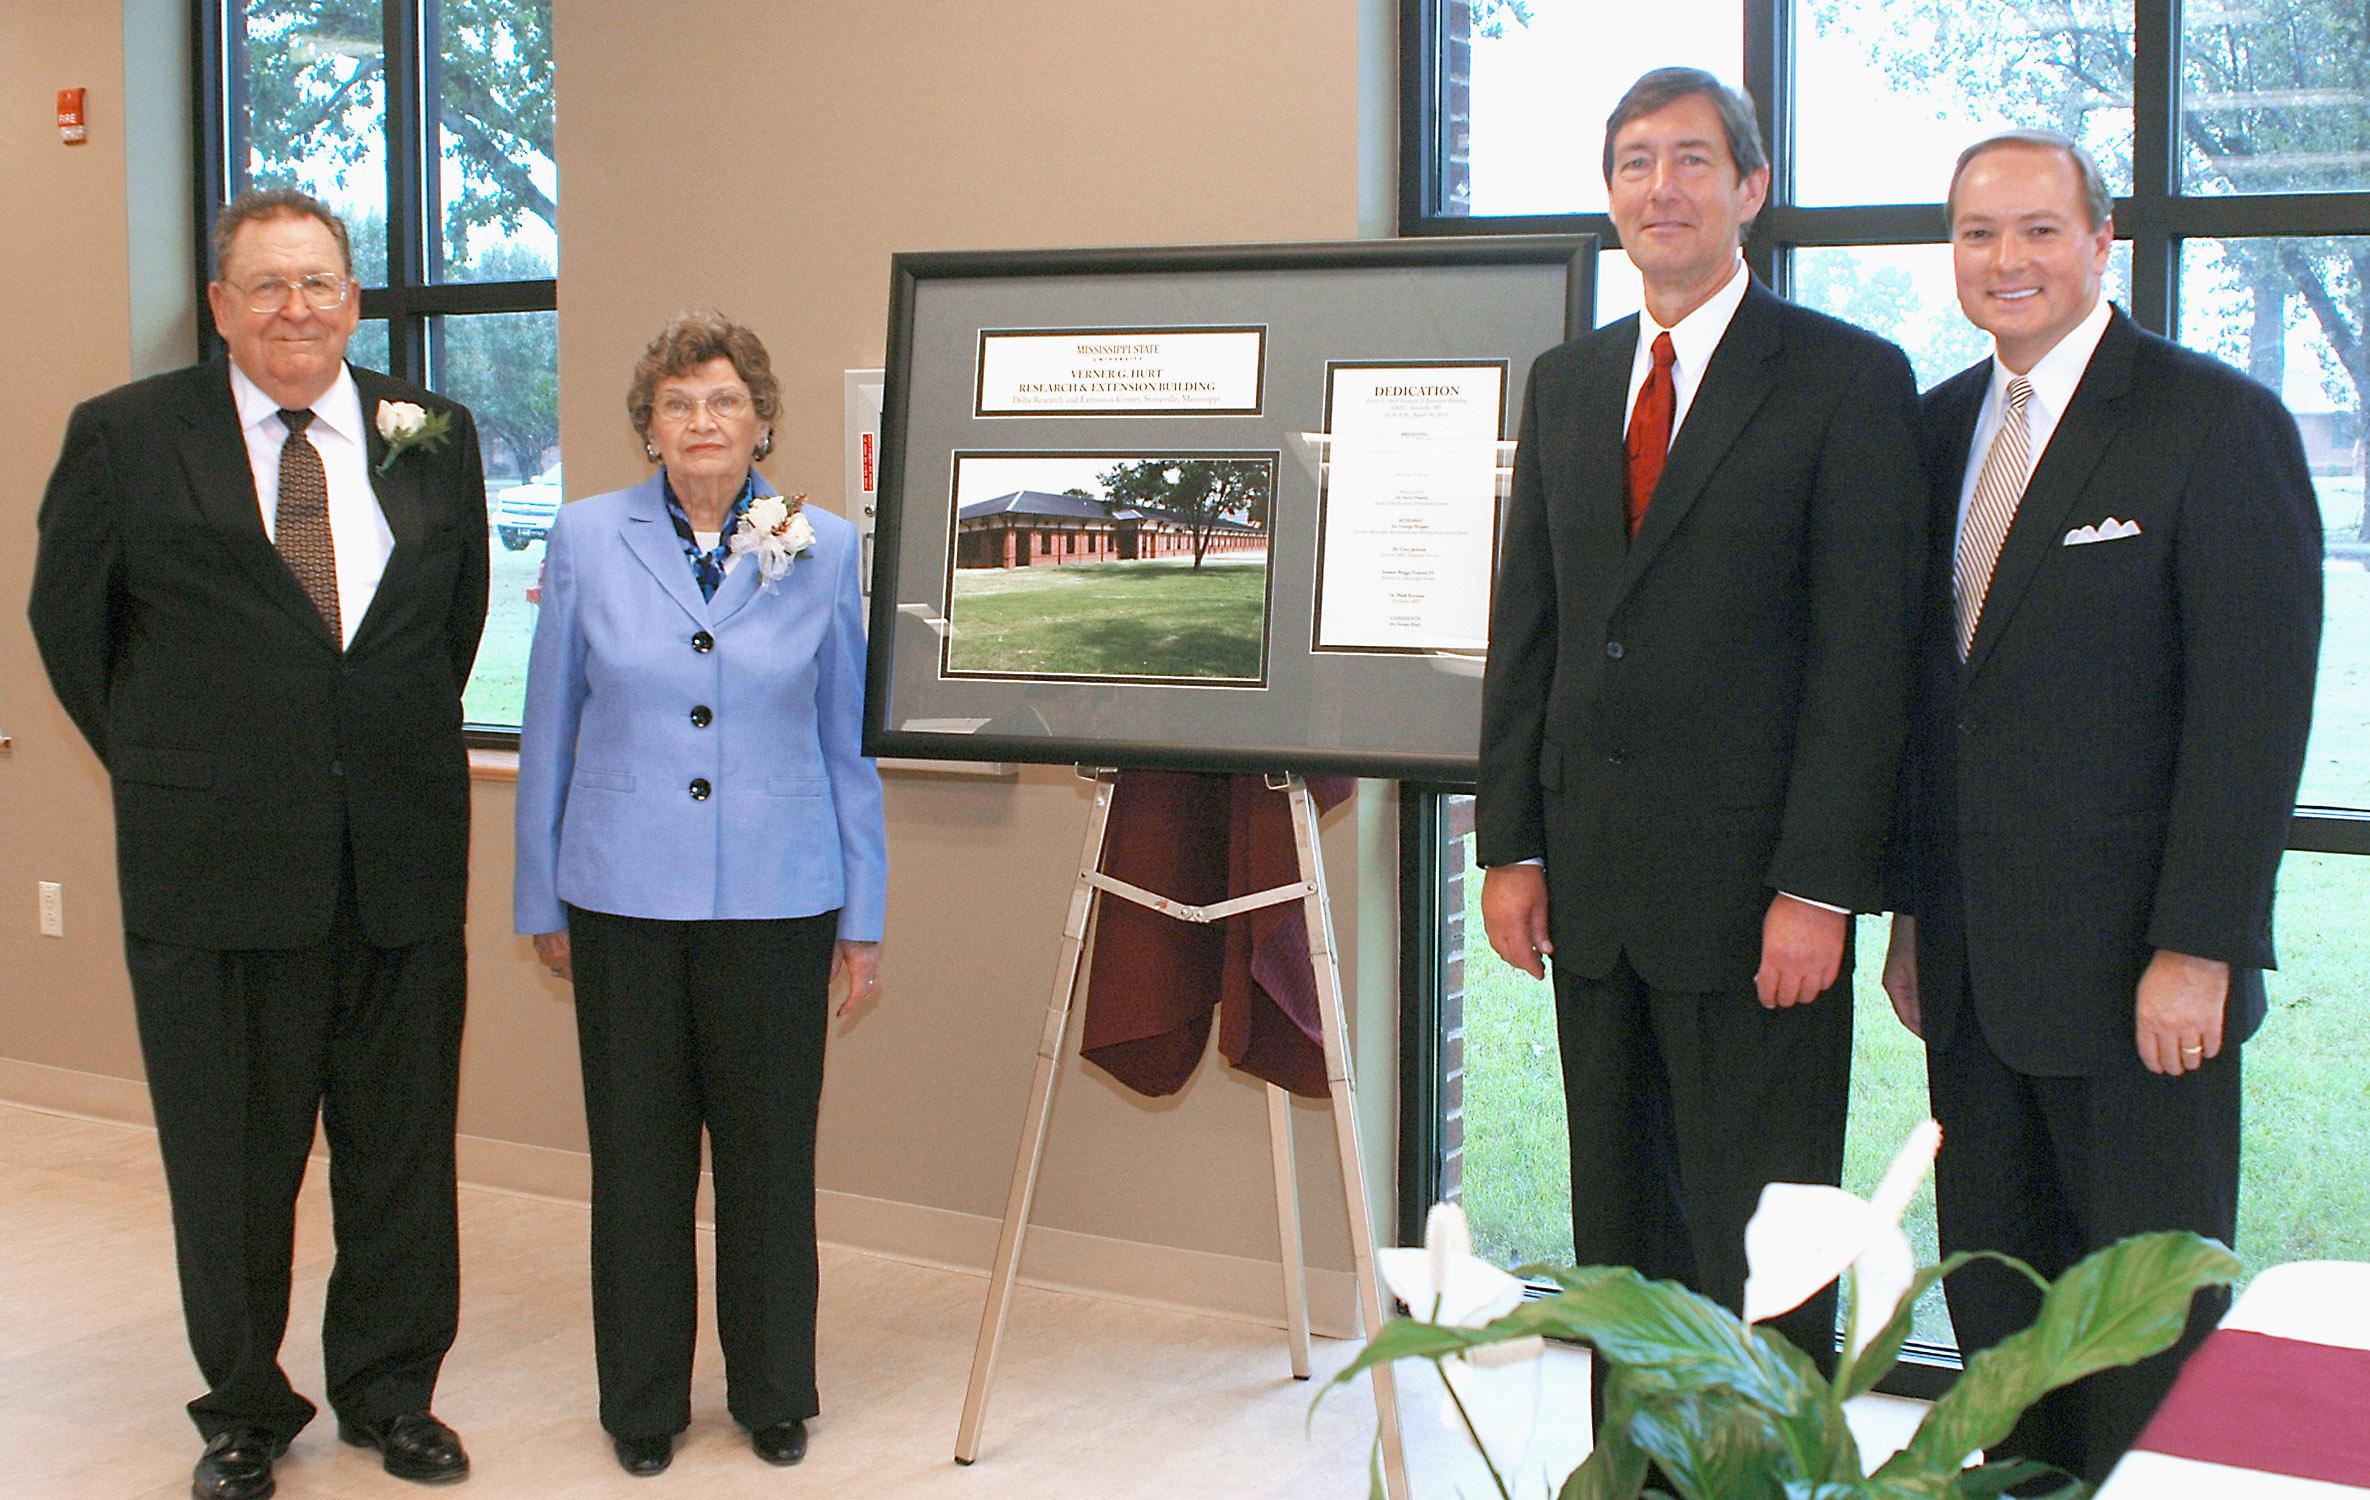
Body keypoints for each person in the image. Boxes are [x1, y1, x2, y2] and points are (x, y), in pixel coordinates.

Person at [28, 189, 486, 1500]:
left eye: (322, 283)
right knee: (229, 1161)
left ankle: (393, 1392)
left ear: (357, 297)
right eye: (268, 286)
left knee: (403, 1151)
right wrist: (183, 766)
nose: (299, 308)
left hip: (396, 860)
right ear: (221, 307)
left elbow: (442, 631)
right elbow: (73, 631)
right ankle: (240, 1407)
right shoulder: (126, 437)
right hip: (213, 871)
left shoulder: (430, 434)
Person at [1883, 130, 2322, 1482]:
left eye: (2035, 230)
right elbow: (1924, 710)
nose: (2004, 260)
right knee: (2000, 1317)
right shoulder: (1933, 427)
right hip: (1968, 981)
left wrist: (2198, 944)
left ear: (2100, 242)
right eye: (1974, 234)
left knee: (2143, 1330)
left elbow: (2250, 719)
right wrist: (1910, 922)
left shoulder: (2210, 422)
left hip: (2144, 983)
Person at [1475, 67, 1924, 1375]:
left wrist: (1820, 890)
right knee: (1621, 1233)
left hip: (1755, 906)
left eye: (1687, 160)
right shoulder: (1568, 382)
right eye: (1632, 162)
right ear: (1608, 194)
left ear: (1749, 189)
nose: (1658, 187)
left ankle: (1758, 1465)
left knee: (1763, 1238)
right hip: (1596, 891)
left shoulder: (1844, 380)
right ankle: (1637, 1467)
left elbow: (1864, 661)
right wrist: (1512, 844)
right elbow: (1534, 629)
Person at [514, 310, 887, 1477]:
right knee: (637, 1162)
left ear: (762, 419)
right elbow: (549, 730)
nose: (702, 422)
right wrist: (541, 894)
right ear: (649, 427)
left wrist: (864, 916)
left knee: (771, 1161)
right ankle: (641, 1404)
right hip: (621, 899)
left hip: (783, 901)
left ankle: (773, 1389)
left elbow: (848, 744)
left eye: (723, 401)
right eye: (678, 404)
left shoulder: (822, 544)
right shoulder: (584, 539)